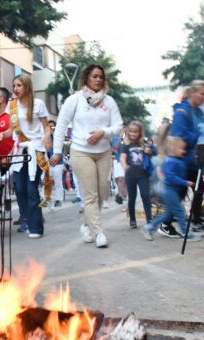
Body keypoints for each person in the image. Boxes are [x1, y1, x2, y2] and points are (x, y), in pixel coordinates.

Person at [51, 64, 123, 248]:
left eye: (101, 77)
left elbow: (118, 126)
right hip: (81, 152)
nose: (98, 79)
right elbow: (60, 125)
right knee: (90, 195)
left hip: (104, 153)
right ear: (86, 79)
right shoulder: (75, 100)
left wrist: (103, 132)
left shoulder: (109, 101)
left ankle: (86, 224)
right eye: (95, 76)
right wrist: (57, 151)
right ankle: (99, 232)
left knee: (102, 193)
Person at [0, 74, 52, 239]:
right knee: (19, 189)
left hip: (35, 150)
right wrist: (2, 135)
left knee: (31, 189)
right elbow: (13, 130)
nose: (15, 89)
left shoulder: (38, 104)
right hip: (19, 151)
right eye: (14, 85)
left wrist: (47, 137)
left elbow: (46, 126)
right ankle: (27, 218)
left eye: (19, 85)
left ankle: (36, 227)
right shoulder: (12, 106)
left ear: (27, 86)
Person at [168, 80, 204, 233]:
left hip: (196, 159)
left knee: (200, 188)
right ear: (193, 93)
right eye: (202, 93)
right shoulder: (182, 112)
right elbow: (179, 138)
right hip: (183, 160)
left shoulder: (199, 112)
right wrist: (198, 134)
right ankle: (166, 223)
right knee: (181, 191)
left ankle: (196, 220)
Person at [140, 137, 202, 242]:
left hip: (171, 191)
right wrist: (185, 182)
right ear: (174, 149)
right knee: (180, 211)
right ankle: (185, 233)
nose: (184, 151)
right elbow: (170, 177)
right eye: (182, 149)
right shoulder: (171, 161)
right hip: (170, 191)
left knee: (168, 214)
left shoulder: (176, 160)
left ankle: (148, 227)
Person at [120, 121, 154, 230]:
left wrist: (149, 152)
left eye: (135, 132)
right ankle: (132, 219)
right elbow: (123, 157)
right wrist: (124, 165)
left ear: (140, 132)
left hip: (143, 175)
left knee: (145, 196)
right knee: (132, 198)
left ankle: (149, 220)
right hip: (130, 174)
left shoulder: (143, 143)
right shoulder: (125, 145)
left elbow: (151, 155)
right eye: (131, 131)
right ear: (128, 132)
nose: (133, 134)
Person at [0, 87, 16, 213]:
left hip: (10, 159)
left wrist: (9, 156)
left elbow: (17, 137)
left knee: (12, 185)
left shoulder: (12, 115)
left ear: (2, 99)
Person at [47, 120, 65, 208]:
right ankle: (46, 198)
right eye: (49, 127)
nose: (51, 128)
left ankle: (59, 199)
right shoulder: (46, 137)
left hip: (58, 162)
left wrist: (54, 133)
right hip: (47, 163)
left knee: (58, 182)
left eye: (52, 127)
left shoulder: (58, 136)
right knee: (46, 181)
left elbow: (60, 146)